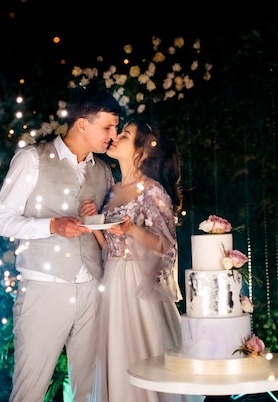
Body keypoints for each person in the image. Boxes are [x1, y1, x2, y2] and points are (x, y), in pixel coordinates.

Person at [0, 88, 121, 402]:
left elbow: (108, 231)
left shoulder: (103, 171)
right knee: (30, 389)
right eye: (108, 127)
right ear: (82, 124)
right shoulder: (31, 158)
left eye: (115, 128)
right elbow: (0, 221)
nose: (113, 136)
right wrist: (51, 225)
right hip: (44, 287)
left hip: (93, 286)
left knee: (90, 391)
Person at [80, 119, 203, 402]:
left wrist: (131, 228)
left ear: (141, 152)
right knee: (116, 355)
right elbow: (108, 246)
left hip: (138, 284)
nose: (116, 137)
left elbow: (166, 244)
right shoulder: (111, 192)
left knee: (143, 356)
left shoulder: (152, 190)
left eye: (124, 134)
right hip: (112, 283)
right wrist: (93, 221)